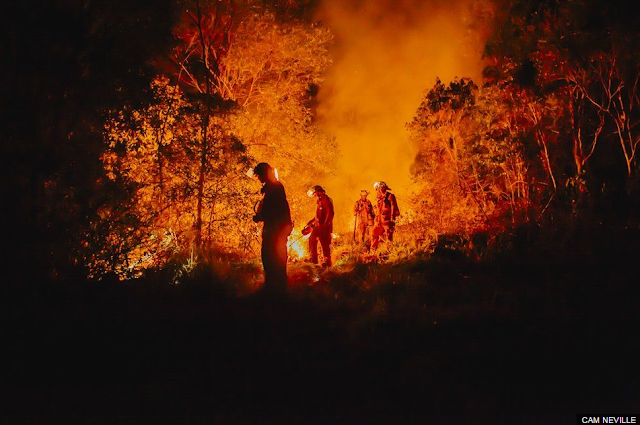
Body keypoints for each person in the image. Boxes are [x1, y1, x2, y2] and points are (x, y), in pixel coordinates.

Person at [252, 162, 292, 294]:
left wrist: (260, 216)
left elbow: (272, 209)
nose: (258, 178)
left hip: (276, 229)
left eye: (259, 175)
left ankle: (276, 289)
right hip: (276, 228)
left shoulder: (274, 188)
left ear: (264, 174)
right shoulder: (273, 187)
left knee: (272, 257)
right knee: (271, 256)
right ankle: (275, 287)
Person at [307, 185, 334, 267]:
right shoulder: (320, 201)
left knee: (324, 244)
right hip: (318, 227)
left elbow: (330, 214)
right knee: (312, 240)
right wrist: (311, 222)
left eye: (315, 194)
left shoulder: (326, 200)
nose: (315, 196)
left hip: (324, 228)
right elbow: (318, 216)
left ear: (319, 192)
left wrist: (325, 225)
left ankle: (327, 262)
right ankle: (314, 260)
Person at [371, 181, 400, 251]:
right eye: (376, 189)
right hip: (379, 221)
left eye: (378, 188)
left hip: (387, 220)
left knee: (389, 236)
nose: (377, 190)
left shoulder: (390, 196)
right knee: (374, 233)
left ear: (382, 187)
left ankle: (389, 251)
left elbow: (393, 206)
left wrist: (392, 218)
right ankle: (373, 251)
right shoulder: (379, 197)